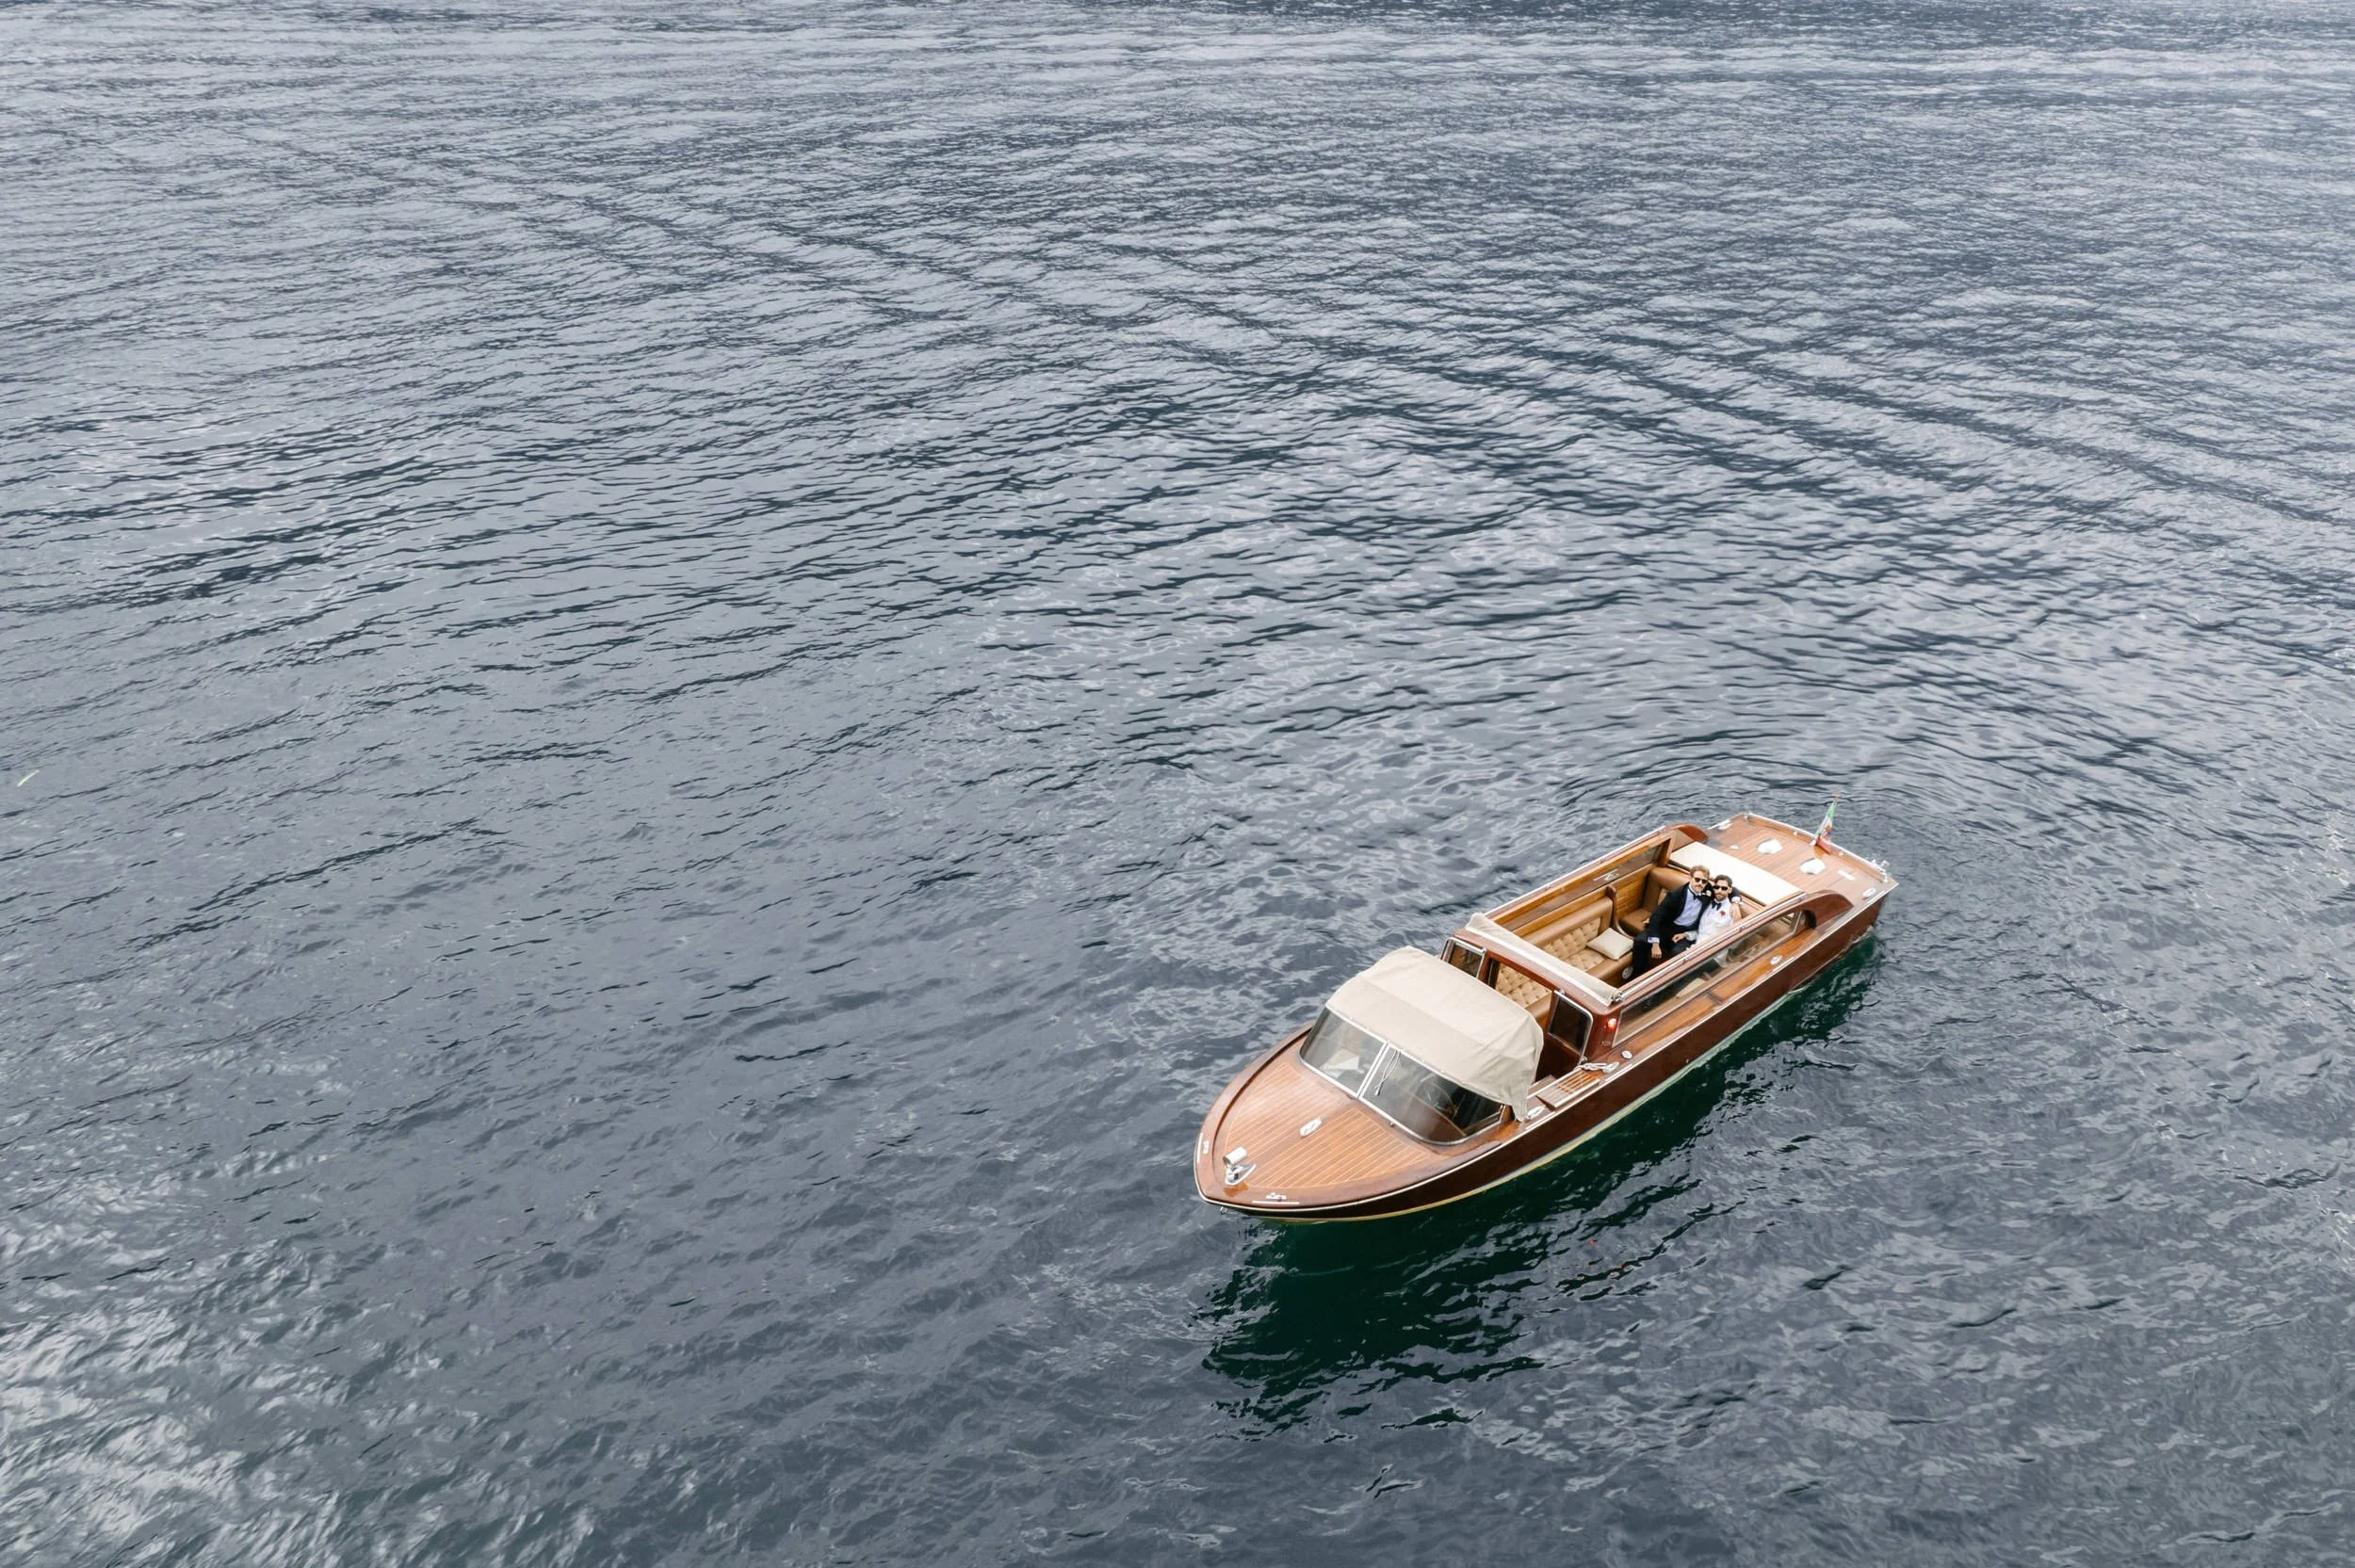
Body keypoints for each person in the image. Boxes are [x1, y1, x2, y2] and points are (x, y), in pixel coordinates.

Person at [1632, 869, 1711, 977]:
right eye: (1697, 879)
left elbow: (1729, 889)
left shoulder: (1708, 893)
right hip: (1667, 928)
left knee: (1678, 955)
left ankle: (1661, 982)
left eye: (1704, 881)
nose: (1700, 883)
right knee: (1640, 941)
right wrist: (1655, 943)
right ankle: (1637, 975)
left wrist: (1735, 900)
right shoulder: (1675, 895)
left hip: (1685, 933)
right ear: (1690, 878)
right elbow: (1656, 917)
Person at [1696, 875, 1741, 944]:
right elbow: (1703, 931)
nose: (1719, 891)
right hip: (1696, 945)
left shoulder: (1733, 910)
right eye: (1717, 887)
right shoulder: (1707, 902)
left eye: (1724, 888)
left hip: (1715, 950)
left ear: (1730, 890)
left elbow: (1735, 939)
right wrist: (1688, 934)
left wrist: (1736, 903)